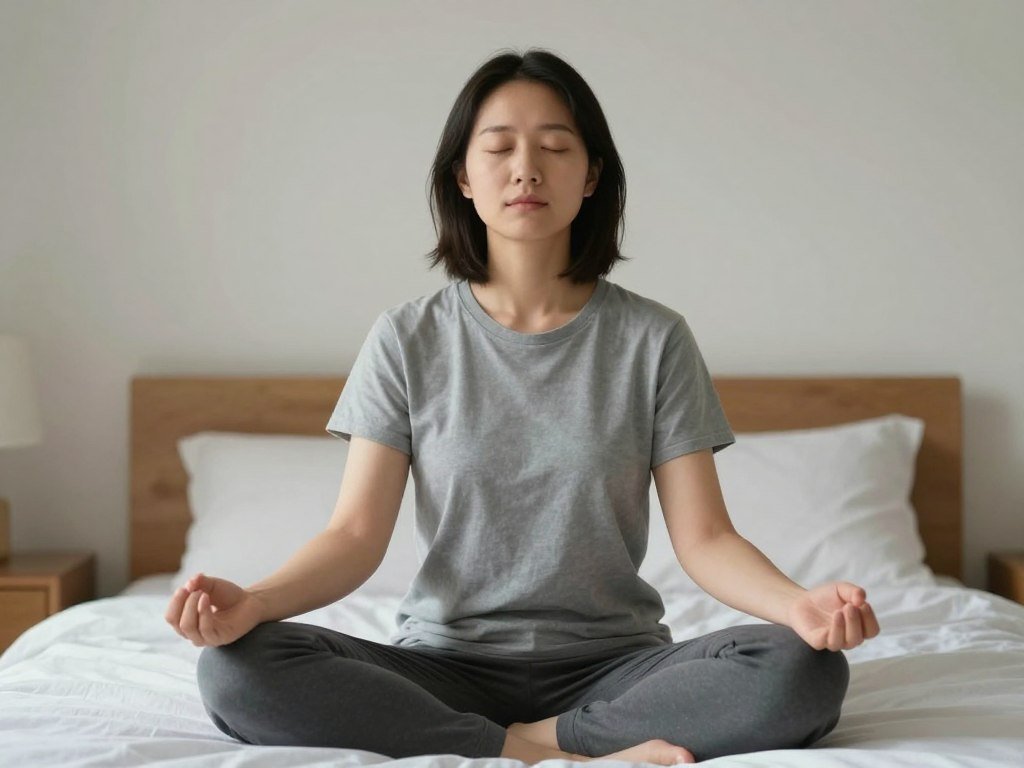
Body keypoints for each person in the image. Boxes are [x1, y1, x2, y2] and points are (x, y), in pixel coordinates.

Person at [166, 48, 878, 765]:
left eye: (556, 147)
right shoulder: (407, 338)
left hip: (614, 666)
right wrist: (254, 603)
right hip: (444, 669)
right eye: (500, 147)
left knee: (802, 668)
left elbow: (706, 541)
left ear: (591, 174)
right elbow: (354, 536)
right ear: (463, 178)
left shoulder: (654, 338)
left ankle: (544, 741)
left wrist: (796, 606)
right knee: (237, 668)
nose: (526, 168)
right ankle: (530, 747)